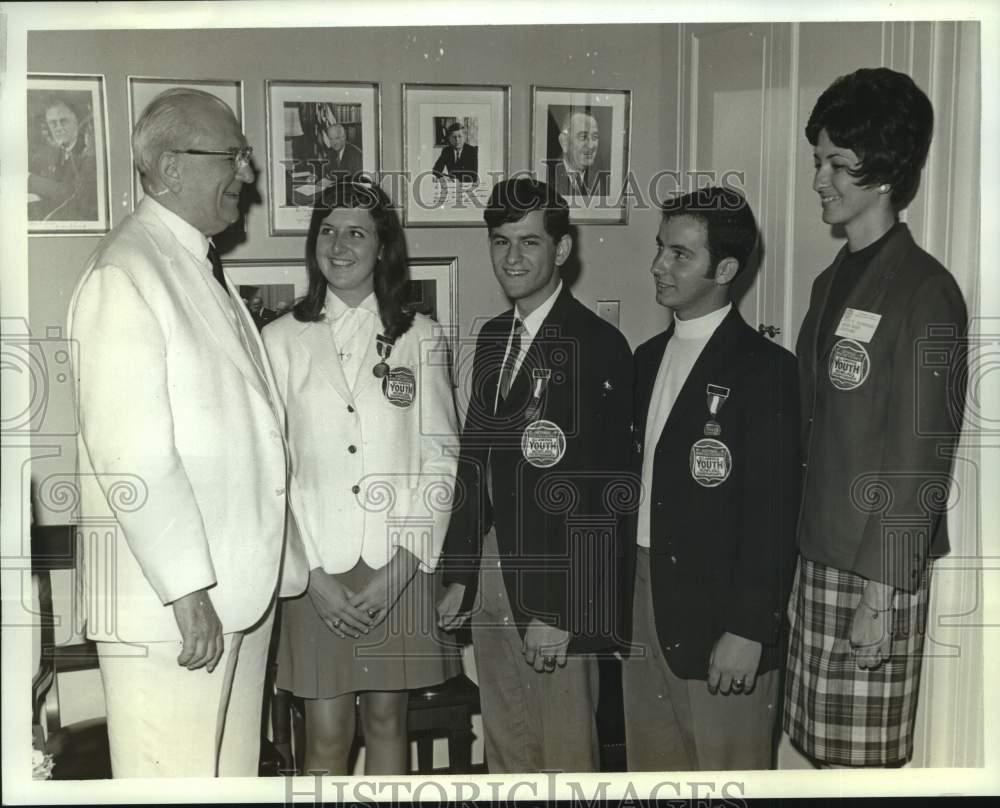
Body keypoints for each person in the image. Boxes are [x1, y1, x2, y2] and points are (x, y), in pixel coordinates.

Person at [67, 87, 307, 777]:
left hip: (236, 600)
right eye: (232, 156)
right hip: (175, 610)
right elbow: (133, 457)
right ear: (171, 168)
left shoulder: (198, 267)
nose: (248, 174)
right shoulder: (126, 273)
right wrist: (187, 591)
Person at [783, 67, 967, 768]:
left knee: (857, 771)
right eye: (818, 161)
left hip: (872, 573)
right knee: (819, 758)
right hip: (816, 557)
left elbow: (920, 459)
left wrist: (879, 598)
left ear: (884, 171)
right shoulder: (831, 281)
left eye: (837, 163)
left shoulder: (928, 292)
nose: (819, 180)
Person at [263, 179, 462, 776]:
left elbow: (441, 459)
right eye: (327, 230)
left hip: (396, 563)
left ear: (384, 247)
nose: (340, 245)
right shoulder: (278, 340)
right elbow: (273, 474)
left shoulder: (419, 335)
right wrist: (312, 577)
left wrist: (401, 569)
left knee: (386, 720)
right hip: (315, 567)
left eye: (357, 232)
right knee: (325, 731)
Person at [437, 177, 634, 772]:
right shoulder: (495, 336)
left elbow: (607, 494)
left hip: (556, 585)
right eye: (500, 242)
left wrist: (568, 610)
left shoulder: (599, 344)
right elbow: (475, 460)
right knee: (506, 741)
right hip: (496, 571)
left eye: (528, 242)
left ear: (563, 250)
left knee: (564, 751)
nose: (512, 258)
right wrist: (460, 573)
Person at [623, 187, 800, 771]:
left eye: (680, 255)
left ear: (725, 269)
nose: (659, 266)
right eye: (660, 249)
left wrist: (749, 629)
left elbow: (773, 514)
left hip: (724, 619)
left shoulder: (768, 370)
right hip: (645, 603)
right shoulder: (646, 358)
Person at [28, 96, 98, 221]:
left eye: (63, 121)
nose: (58, 128)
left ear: (76, 121)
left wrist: (30, 180)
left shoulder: (90, 154)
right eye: (53, 123)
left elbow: (76, 194)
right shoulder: (50, 153)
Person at [548, 109, 609, 199]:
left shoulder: (600, 181)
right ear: (564, 142)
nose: (591, 145)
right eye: (583, 137)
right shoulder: (547, 176)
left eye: (595, 137)